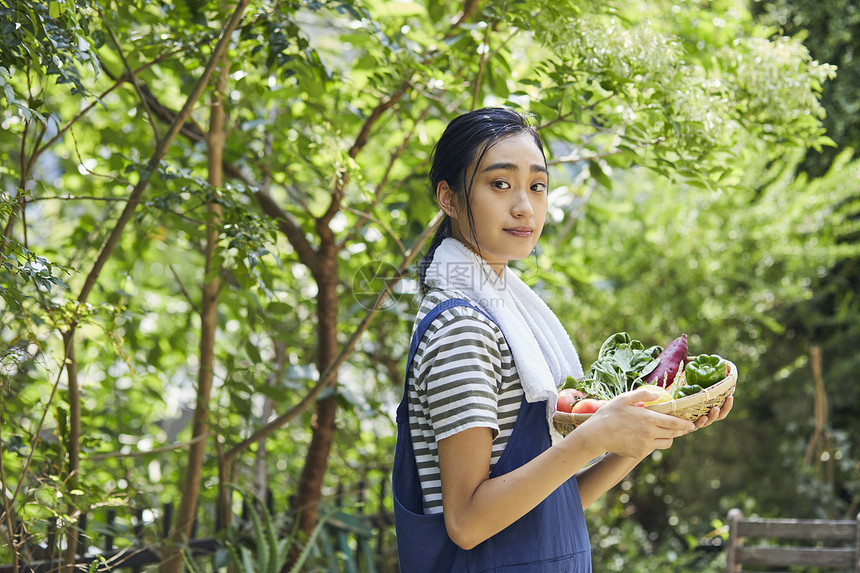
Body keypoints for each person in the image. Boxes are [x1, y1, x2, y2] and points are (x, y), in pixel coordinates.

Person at [392, 107, 733, 572]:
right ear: (448, 198)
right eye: (499, 184)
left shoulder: (507, 317)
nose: (524, 206)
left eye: (537, 186)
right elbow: (468, 522)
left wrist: (644, 434)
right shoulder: (463, 330)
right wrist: (592, 437)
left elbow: (555, 504)